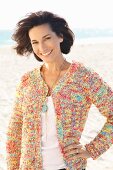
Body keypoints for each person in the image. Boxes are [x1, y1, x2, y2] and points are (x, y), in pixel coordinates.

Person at [6, 11, 113, 170]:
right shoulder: (27, 81)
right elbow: (15, 132)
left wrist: (91, 149)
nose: (41, 47)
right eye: (35, 42)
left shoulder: (84, 77)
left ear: (60, 36)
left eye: (47, 38)